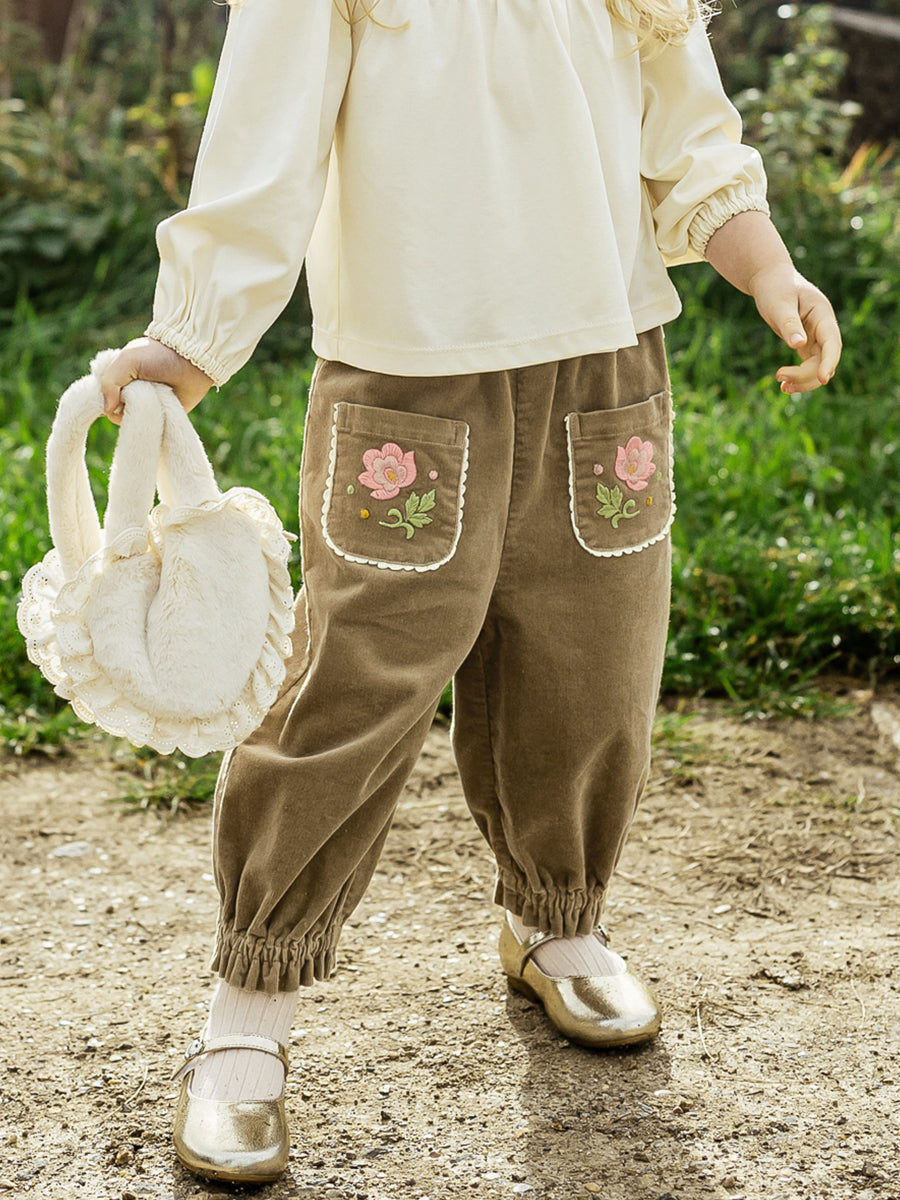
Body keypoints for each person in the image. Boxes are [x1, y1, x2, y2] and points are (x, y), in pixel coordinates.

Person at [100, 0, 841, 1185]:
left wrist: (768, 266)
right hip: (410, 377)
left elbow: (689, 130)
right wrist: (193, 336)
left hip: (603, 364)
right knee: (355, 683)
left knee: (590, 668)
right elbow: (263, 143)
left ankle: (555, 916)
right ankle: (250, 1003)